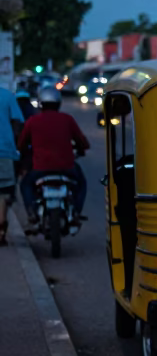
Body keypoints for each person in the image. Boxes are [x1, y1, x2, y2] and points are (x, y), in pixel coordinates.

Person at [18, 84, 89, 224]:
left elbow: (21, 144)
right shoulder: (67, 119)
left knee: (25, 184)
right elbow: (83, 142)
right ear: (59, 103)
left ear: (40, 103)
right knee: (81, 183)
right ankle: (76, 212)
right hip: (67, 167)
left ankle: (32, 212)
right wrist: (80, 149)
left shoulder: (33, 121)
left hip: (40, 168)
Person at [0, 82, 24, 246]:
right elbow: (17, 122)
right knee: (4, 192)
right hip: (5, 151)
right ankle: (1, 228)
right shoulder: (7, 96)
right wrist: (14, 141)